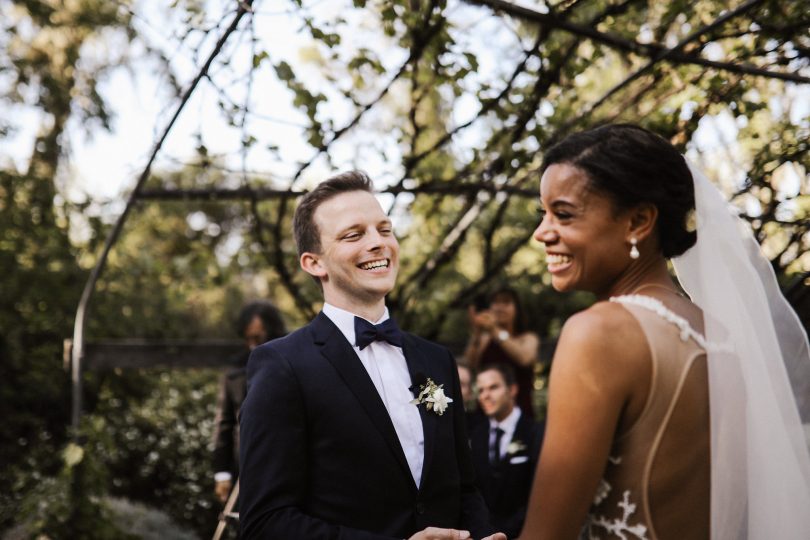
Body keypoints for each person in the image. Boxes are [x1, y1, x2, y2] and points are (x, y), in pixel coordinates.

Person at [519, 124, 810, 539]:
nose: (542, 233)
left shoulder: (597, 335)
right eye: (543, 214)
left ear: (638, 221)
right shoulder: (724, 338)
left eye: (563, 214)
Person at [238, 171, 506, 540]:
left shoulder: (436, 360)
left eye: (385, 229)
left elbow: (463, 487)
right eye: (354, 235)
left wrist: (482, 533)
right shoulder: (283, 366)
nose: (378, 243)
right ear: (314, 263)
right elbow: (266, 523)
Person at [212, 300, 286, 504]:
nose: (253, 345)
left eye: (258, 338)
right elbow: (224, 422)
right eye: (248, 339)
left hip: (284, 465)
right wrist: (222, 473)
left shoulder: (291, 365)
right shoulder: (235, 370)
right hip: (243, 467)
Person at [469, 364, 544, 538]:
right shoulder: (476, 436)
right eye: (480, 390)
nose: (485, 395)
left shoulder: (535, 432)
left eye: (493, 387)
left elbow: (538, 493)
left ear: (512, 389)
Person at [464, 287, 540, 417]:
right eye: (495, 303)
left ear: (517, 309)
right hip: (486, 414)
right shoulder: (484, 339)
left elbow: (524, 358)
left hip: (520, 414)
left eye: (506, 302)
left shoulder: (528, 338)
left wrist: (494, 329)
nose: (500, 307)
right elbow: (469, 365)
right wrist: (477, 333)